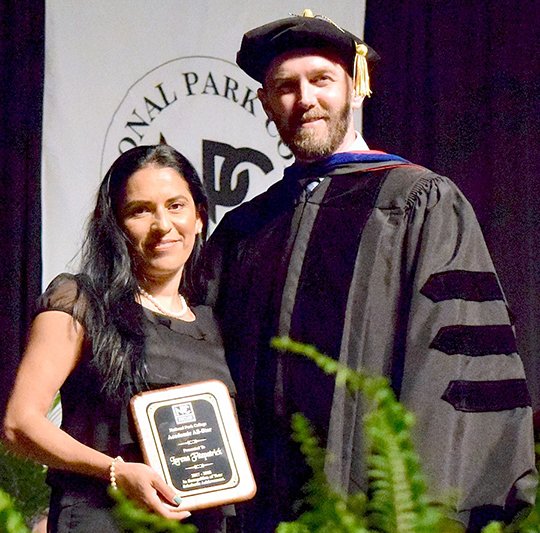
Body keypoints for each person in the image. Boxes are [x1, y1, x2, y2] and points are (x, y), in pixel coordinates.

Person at [201, 10, 536, 533]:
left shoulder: (419, 202)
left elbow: (450, 367)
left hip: (374, 509)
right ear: (266, 103)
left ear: (355, 87)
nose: (304, 99)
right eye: (285, 87)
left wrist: (417, 507)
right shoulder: (247, 228)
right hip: (257, 509)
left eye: (321, 80)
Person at [3, 145, 235, 532]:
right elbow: (19, 423)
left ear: (199, 217)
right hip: (102, 521)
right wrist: (116, 472)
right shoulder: (80, 301)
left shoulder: (216, 323)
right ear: (115, 224)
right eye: (140, 210)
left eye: (175, 206)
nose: (163, 224)